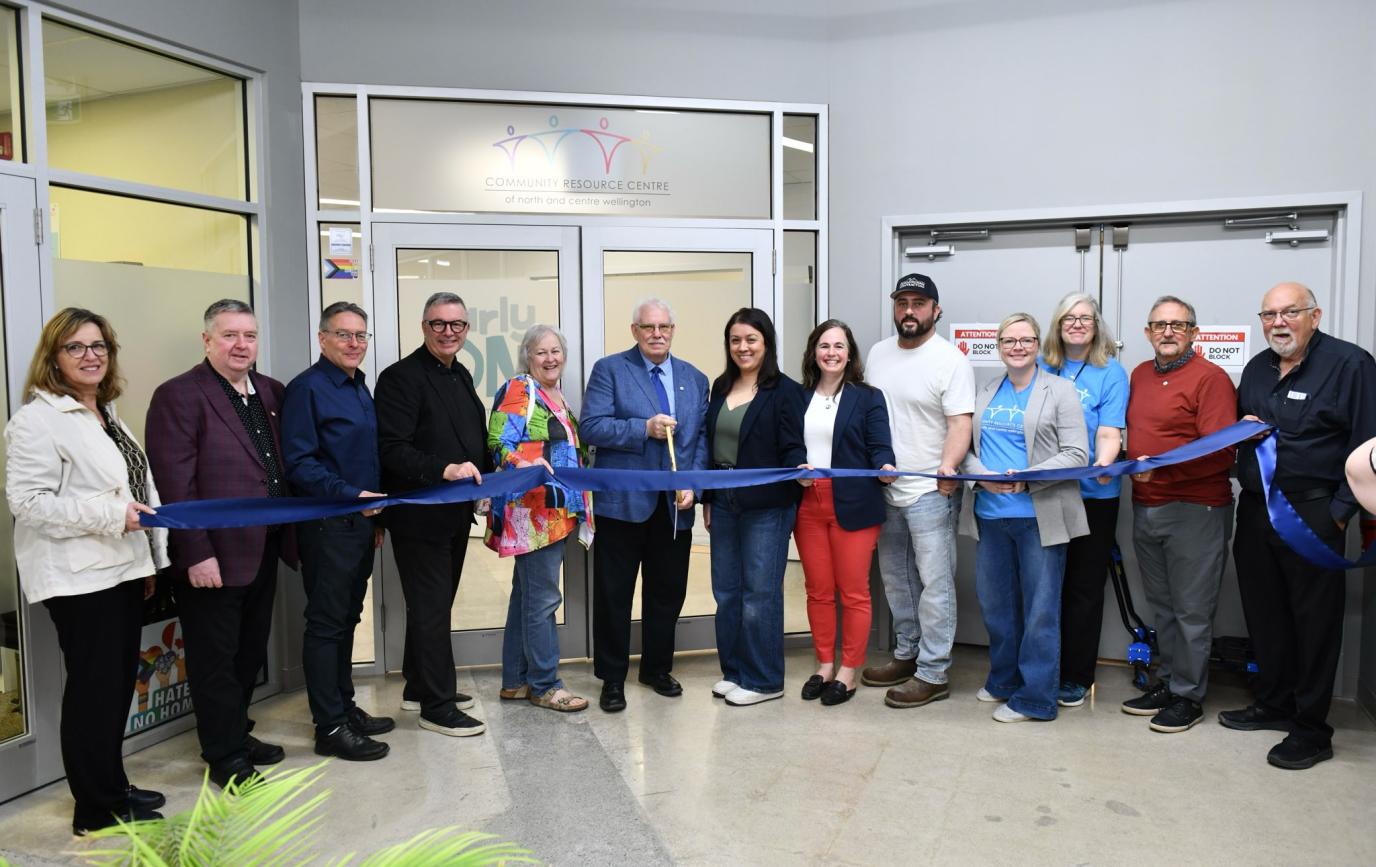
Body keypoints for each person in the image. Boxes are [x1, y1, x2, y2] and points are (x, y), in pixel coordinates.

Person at [5, 309, 168, 834]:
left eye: (98, 345)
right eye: (75, 347)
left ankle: (111, 785)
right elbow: (28, 503)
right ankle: (94, 808)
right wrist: (113, 518)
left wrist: (146, 560)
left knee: (116, 688)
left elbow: (133, 490)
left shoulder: (106, 412)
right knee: (94, 692)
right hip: (80, 580)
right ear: (53, 357)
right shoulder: (37, 419)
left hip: (118, 570)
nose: (90, 355)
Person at [146, 299, 298, 788]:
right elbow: (175, 485)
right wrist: (195, 553)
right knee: (214, 661)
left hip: (264, 548)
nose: (241, 345)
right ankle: (225, 756)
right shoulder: (179, 395)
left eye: (249, 336)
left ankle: (236, 730)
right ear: (207, 340)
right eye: (229, 335)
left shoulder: (270, 391)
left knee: (248, 654)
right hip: (212, 555)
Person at [1226, 281, 1376, 769]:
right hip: (1255, 510)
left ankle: (1312, 728)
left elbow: (1369, 446)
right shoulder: (1255, 368)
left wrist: (1338, 510)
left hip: (1314, 511)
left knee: (1314, 622)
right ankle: (1274, 703)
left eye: (1290, 312)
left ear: (1315, 315)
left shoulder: (1351, 364)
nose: (1278, 323)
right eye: (1269, 314)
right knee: (1265, 613)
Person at [581, 298, 709, 713]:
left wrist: (695, 485)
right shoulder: (610, 370)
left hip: (675, 507)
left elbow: (700, 440)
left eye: (664, 327)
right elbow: (592, 427)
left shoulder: (694, 377)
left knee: (668, 593)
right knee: (614, 595)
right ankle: (612, 678)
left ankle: (656, 668)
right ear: (634, 331)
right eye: (648, 327)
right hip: (622, 506)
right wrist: (644, 428)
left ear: (673, 330)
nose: (657, 334)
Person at [960, 313, 1088, 723]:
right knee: (997, 608)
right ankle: (1003, 681)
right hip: (990, 516)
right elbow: (963, 449)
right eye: (1009, 340)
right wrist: (984, 479)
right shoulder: (985, 391)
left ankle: (1036, 698)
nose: (1017, 346)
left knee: (1040, 611)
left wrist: (1026, 480)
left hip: (1039, 517)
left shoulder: (1061, 390)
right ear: (998, 345)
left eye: (1025, 339)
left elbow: (1077, 454)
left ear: (1037, 344)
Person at [374, 292, 491, 737]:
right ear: (423, 327)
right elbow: (392, 449)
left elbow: (469, 442)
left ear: (466, 329)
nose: (448, 332)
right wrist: (444, 470)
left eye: (457, 325)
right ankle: (437, 707)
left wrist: (500, 470)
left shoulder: (458, 374)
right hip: (418, 516)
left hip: (454, 515)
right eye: (439, 324)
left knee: (434, 605)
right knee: (430, 609)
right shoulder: (400, 379)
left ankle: (418, 685)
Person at [281, 301, 392, 761]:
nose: (354, 343)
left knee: (347, 618)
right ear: (322, 338)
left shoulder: (358, 386)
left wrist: (376, 517)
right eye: (343, 335)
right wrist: (350, 495)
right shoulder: (307, 389)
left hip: (360, 526)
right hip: (327, 525)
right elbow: (300, 463)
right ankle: (328, 727)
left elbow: (368, 458)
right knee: (326, 624)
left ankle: (345, 709)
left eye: (361, 336)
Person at [1121, 296, 1237, 733]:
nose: (1167, 332)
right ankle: (1168, 682)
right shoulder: (1139, 375)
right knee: (1164, 607)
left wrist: (1161, 468)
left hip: (1196, 508)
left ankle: (1189, 696)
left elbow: (1222, 450)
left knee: (1192, 610)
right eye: (1159, 325)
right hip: (1147, 507)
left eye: (1178, 325)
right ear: (1148, 332)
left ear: (1194, 332)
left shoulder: (1211, 378)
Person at [862, 274, 976, 709]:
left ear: (936, 310)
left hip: (931, 489)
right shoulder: (877, 354)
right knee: (896, 579)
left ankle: (934, 672)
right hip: (886, 487)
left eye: (919, 303)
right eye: (902, 302)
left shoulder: (951, 360)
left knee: (935, 583)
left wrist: (948, 467)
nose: (909, 310)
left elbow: (960, 422)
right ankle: (907, 653)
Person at [486, 324, 592, 713]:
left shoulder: (556, 395)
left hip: (556, 509)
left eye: (556, 351)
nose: (550, 359)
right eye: (541, 352)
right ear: (527, 358)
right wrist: (527, 463)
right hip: (532, 512)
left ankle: (515, 681)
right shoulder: (520, 390)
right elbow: (499, 443)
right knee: (543, 599)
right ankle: (546, 684)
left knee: (527, 596)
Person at [703, 308, 806, 707]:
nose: (742, 347)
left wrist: (800, 466)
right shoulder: (720, 385)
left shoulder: (786, 391)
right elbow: (714, 448)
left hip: (768, 505)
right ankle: (735, 671)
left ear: (767, 344)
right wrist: (709, 499)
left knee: (758, 594)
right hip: (725, 501)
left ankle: (764, 680)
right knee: (726, 592)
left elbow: (792, 443)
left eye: (751, 340)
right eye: (735, 340)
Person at [794, 320, 896, 706]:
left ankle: (848, 671)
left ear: (849, 353)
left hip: (854, 502)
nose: (831, 353)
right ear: (813, 352)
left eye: (839, 346)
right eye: (824, 345)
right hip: (808, 503)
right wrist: (795, 466)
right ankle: (823, 665)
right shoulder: (798, 396)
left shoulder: (868, 397)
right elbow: (788, 445)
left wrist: (885, 467)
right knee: (818, 591)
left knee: (853, 592)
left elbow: (879, 446)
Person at [1038, 293, 1128, 709]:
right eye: (1069, 318)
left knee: (1083, 588)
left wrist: (1103, 462)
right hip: (1046, 494)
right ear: (1057, 325)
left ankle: (1076, 676)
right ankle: (1042, 669)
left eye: (1085, 318)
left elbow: (1110, 432)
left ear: (1097, 326)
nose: (1077, 324)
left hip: (1094, 496)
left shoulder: (1111, 373)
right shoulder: (1040, 367)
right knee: (1045, 585)